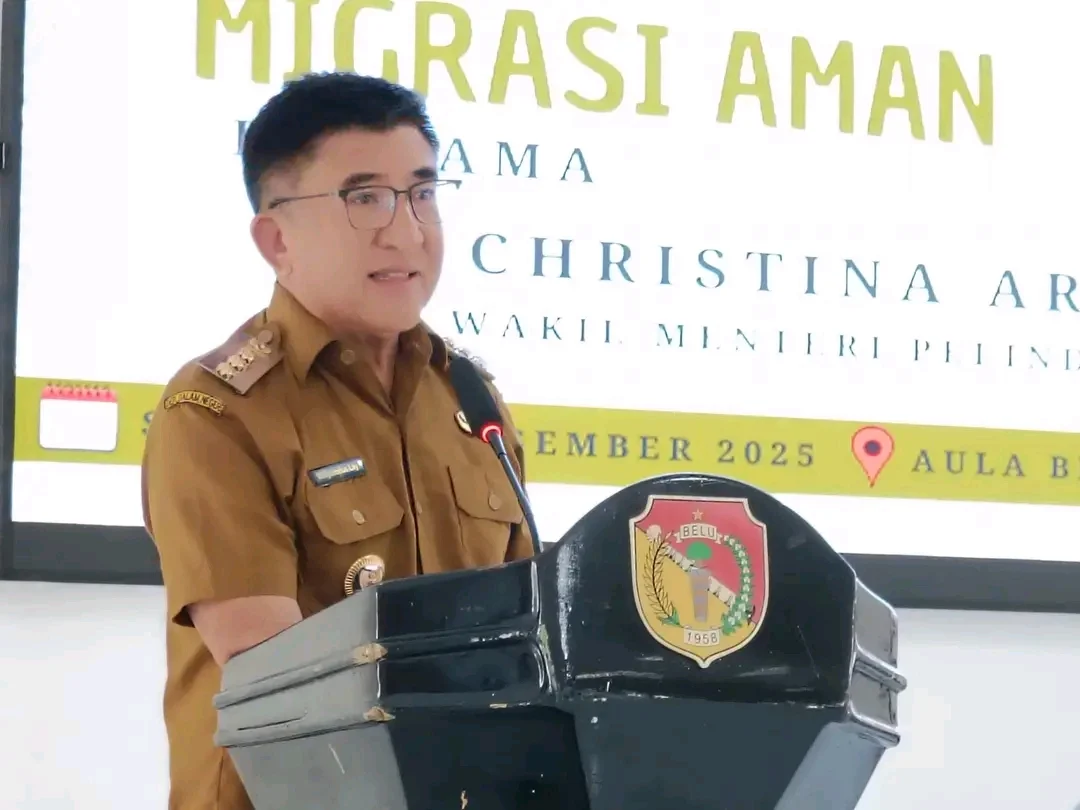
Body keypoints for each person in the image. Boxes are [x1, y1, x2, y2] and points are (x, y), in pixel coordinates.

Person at [141, 72, 534, 810]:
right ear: (277, 238)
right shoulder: (218, 413)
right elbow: (280, 689)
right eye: (366, 199)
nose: (407, 230)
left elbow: (527, 644)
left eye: (422, 193)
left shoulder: (471, 400)